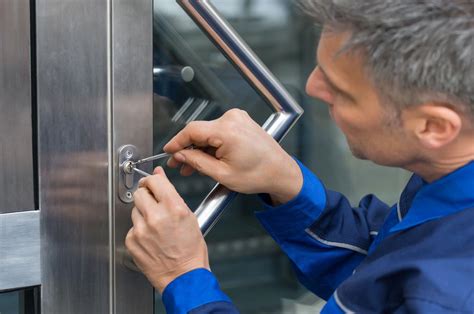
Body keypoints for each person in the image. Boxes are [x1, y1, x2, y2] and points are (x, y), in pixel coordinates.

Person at [125, 0, 474, 313]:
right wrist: (285, 183)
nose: (310, 87)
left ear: (433, 126)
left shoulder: (448, 295)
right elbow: (376, 281)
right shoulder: (448, 181)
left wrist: (184, 277)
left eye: (342, 91)